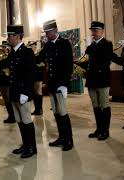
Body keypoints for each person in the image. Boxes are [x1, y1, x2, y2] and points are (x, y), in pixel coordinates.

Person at [39, 19, 74, 151]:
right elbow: (39, 59)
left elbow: (69, 65)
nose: (46, 35)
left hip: (61, 84)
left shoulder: (64, 43)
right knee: (56, 112)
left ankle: (69, 140)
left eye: (47, 32)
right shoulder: (47, 45)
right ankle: (61, 137)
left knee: (63, 112)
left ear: (54, 31)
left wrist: (65, 84)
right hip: (52, 84)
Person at [77, 21, 114, 141]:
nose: (94, 33)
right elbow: (85, 61)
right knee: (96, 106)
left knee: (104, 105)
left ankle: (105, 130)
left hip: (102, 80)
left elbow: (104, 59)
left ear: (102, 31)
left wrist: (91, 47)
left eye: (96, 30)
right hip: (92, 80)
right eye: (92, 30)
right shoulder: (91, 47)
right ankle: (99, 128)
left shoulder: (107, 44)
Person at [5, 25, 37, 158]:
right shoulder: (12, 52)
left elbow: (30, 75)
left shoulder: (27, 52)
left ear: (18, 36)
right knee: (19, 120)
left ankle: (32, 147)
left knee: (26, 120)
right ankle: (25, 144)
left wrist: (26, 93)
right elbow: (4, 65)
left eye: (10, 35)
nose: (8, 38)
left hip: (23, 93)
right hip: (14, 92)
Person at [29, 41, 44, 115]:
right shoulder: (29, 55)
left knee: (38, 93)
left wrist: (36, 65)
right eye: (31, 46)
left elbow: (42, 64)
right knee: (34, 94)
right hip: (32, 77)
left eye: (33, 46)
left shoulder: (39, 54)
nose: (32, 47)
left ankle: (40, 109)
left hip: (38, 77)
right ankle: (36, 109)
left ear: (35, 47)